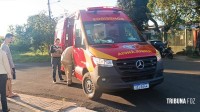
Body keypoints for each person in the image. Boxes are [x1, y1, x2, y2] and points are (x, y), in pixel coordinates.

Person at [1, 33, 18, 98]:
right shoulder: (4, 46)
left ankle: (8, 92)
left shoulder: (5, 45)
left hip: (9, 65)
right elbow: (5, 58)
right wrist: (10, 68)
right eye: (11, 38)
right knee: (9, 79)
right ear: (6, 38)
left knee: (8, 79)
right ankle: (10, 93)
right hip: (8, 66)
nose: (12, 40)